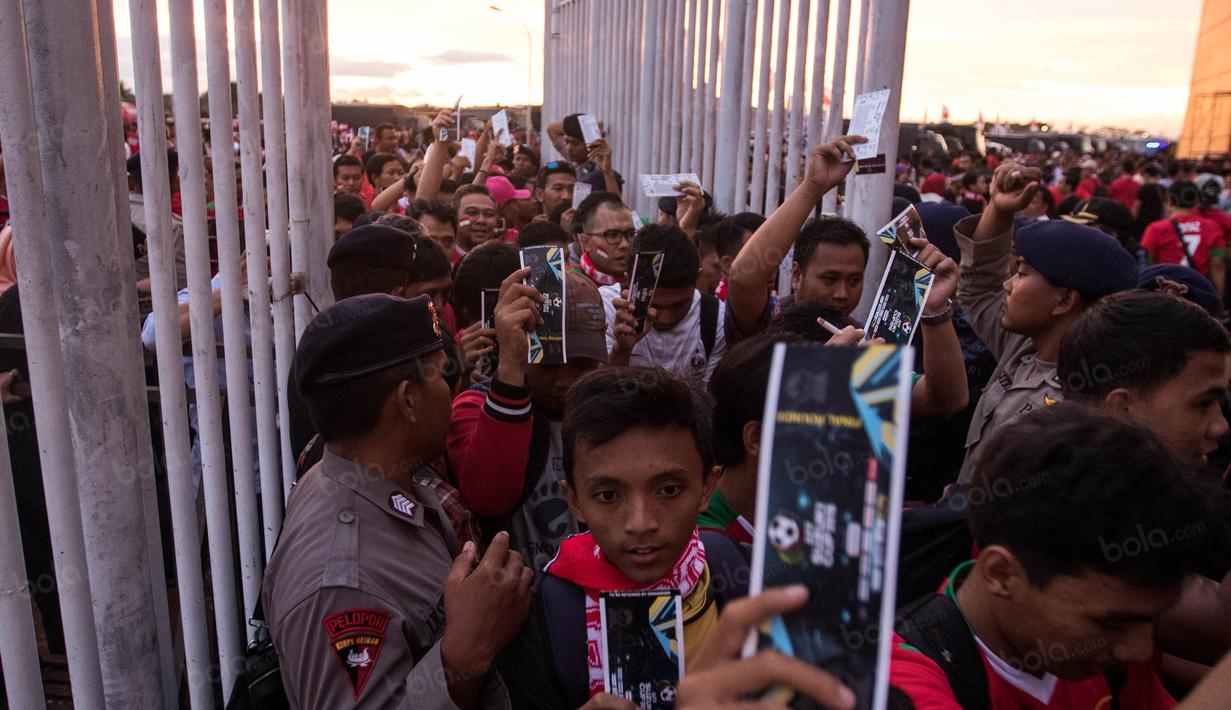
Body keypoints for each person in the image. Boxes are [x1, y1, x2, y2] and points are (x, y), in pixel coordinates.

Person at [263, 294, 529, 708]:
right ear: (408, 401)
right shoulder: (340, 583)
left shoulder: (374, 481)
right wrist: (467, 653)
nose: (450, 390)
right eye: (442, 377)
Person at [891, 403, 1225, 709]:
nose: (1139, 650)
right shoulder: (896, 683)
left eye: (1151, 620)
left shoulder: (1114, 659)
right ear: (1001, 573)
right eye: (1109, 622)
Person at [529, 366, 748, 708]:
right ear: (574, 502)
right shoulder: (544, 617)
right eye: (607, 496)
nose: (641, 523)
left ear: (707, 487)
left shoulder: (741, 578)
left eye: (669, 489)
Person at [952, 160, 1138, 484]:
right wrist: (998, 209)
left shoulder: (1084, 399)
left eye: (1022, 273)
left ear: (1064, 301)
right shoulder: (1025, 347)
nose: (1007, 284)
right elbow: (979, 287)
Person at [447, 268, 609, 577]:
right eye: (548, 365)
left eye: (581, 365)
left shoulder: (609, 408)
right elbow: (489, 498)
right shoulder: (475, 406)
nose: (564, 380)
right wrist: (511, 367)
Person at [727, 136, 867, 338]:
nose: (842, 294)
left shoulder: (862, 339)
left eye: (854, 280)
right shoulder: (770, 324)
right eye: (830, 279)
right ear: (796, 275)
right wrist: (812, 187)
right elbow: (742, 279)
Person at [604, 224, 727, 383]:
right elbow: (593, 395)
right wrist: (621, 350)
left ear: (697, 278)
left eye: (679, 305)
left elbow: (711, 401)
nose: (665, 319)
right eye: (653, 306)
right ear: (629, 281)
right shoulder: (606, 308)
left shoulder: (716, 318)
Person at [1140, 181, 1226, 300]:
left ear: (1169, 202)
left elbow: (1146, 262)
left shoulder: (1155, 229)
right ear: (1197, 203)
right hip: (1199, 291)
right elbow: (1217, 264)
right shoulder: (1212, 227)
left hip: (1166, 291)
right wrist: (1218, 299)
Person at [128, 150, 187, 319]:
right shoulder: (172, 225)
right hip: (159, 315)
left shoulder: (112, 217)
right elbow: (182, 280)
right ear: (174, 183)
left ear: (131, 181)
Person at [573, 191, 635, 287]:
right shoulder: (567, 283)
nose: (625, 244)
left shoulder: (649, 283)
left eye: (631, 234)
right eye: (612, 235)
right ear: (586, 242)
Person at [452, 184, 501, 263]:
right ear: (454, 217)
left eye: (489, 214)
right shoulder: (441, 259)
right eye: (472, 212)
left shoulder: (505, 261)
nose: (481, 220)